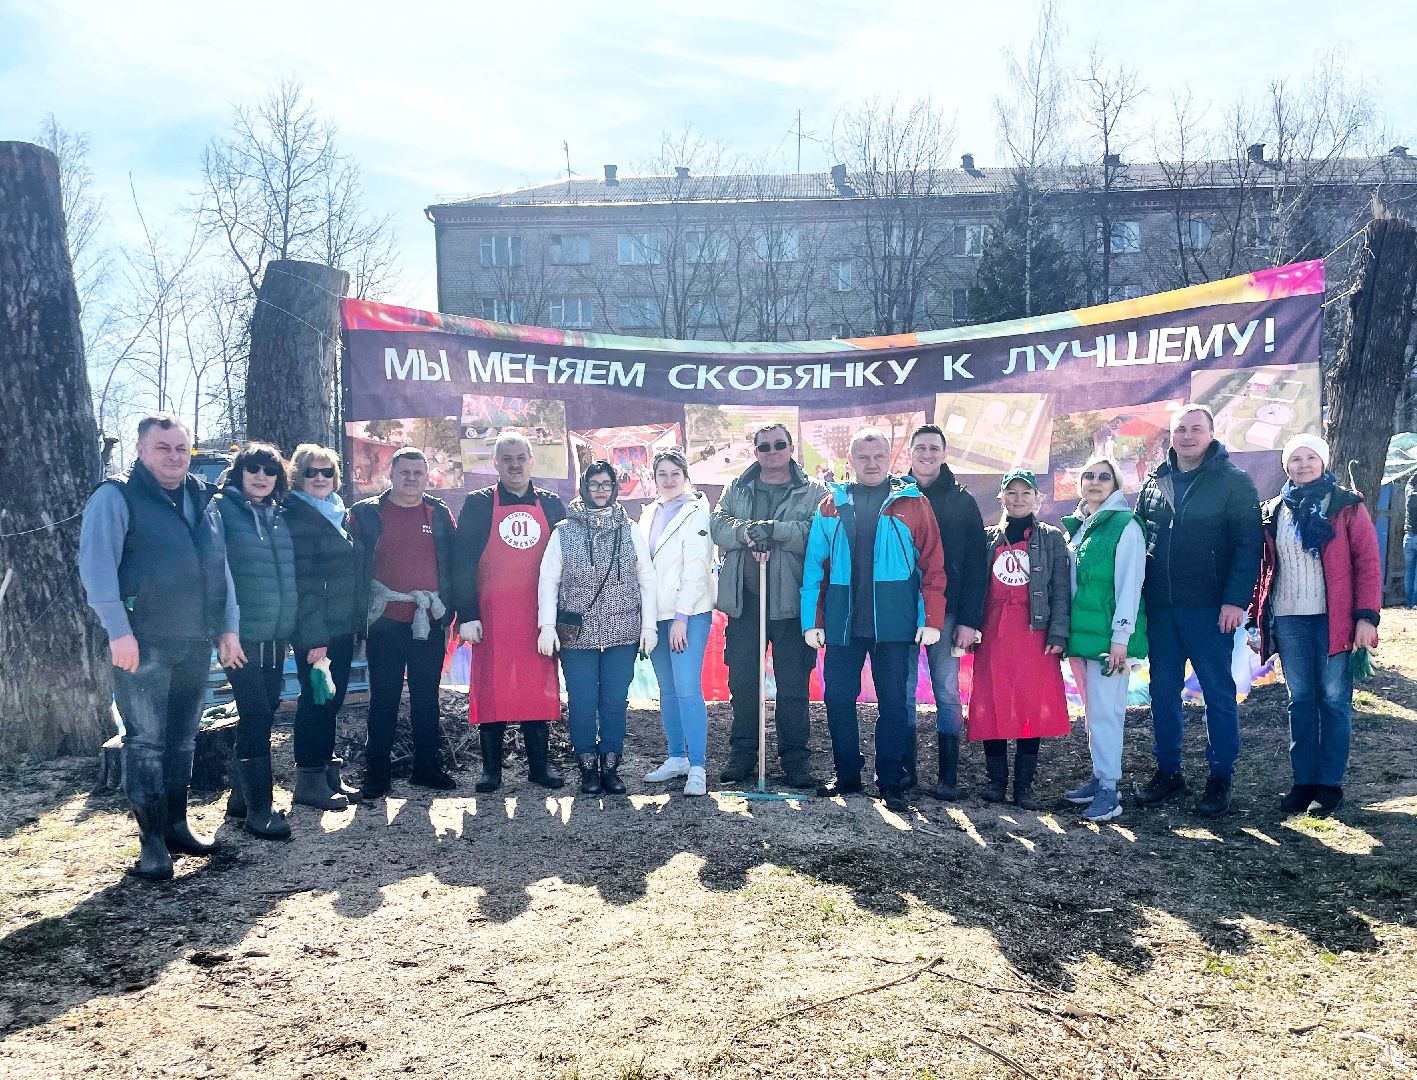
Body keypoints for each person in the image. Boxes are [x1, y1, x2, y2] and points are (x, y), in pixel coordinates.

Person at [79, 413, 241, 882]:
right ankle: (151, 843)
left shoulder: (202, 498)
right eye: (162, 448)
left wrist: (228, 627)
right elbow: (97, 568)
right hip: (141, 640)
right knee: (145, 742)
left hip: (195, 639)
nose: (173, 457)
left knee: (182, 740)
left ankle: (176, 828)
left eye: (180, 448)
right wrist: (117, 631)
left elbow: (220, 569)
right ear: (140, 450)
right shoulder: (116, 496)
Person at [800, 428, 946, 812]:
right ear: (850, 461)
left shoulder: (914, 504)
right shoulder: (831, 505)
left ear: (890, 458)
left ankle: (890, 780)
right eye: (863, 457)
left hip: (895, 625)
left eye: (879, 456)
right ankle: (847, 775)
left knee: (895, 703)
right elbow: (815, 568)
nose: (872, 463)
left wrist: (931, 617)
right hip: (842, 623)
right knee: (836, 700)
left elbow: (933, 565)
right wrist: (812, 620)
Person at [1134, 404, 1262, 817]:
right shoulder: (1154, 482)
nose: (1187, 436)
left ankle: (1220, 776)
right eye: (1179, 430)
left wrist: (1234, 600)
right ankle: (1169, 772)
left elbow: (1249, 546)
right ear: (1170, 435)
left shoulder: (1234, 482)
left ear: (1211, 433)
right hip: (1162, 608)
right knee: (1162, 693)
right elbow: (1139, 542)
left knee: (1218, 693)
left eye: (1195, 429)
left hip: (1210, 609)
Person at [1251, 434, 1381, 817]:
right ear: (1285, 465)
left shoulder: (1346, 506)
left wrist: (1366, 618)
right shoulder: (1273, 510)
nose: (1303, 464)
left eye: (1311, 457)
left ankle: (1329, 785)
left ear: (1324, 462)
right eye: (1295, 458)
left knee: (1335, 700)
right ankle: (1302, 782)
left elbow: (1369, 566)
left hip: (1335, 618)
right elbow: (1265, 569)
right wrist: (1257, 618)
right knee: (1301, 699)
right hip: (1290, 617)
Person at [711, 424, 827, 788]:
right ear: (755, 450)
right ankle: (743, 755)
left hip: (792, 605)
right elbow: (717, 524)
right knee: (743, 683)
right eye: (764, 446)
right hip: (745, 603)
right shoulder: (736, 487)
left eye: (779, 444)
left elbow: (815, 533)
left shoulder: (814, 491)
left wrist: (775, 531)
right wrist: (746, 533)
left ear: (791, 447)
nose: (772, 451)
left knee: (793, 686)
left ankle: (795, 761)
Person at [453, 431, 566, 793]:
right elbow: (462, 564)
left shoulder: (551, 504)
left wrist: (561, 617)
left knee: (537, 687)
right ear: (496, 464)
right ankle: (491, 771)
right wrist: (467, 614)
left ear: (532, 461)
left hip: (538, 616)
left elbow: (567, 564)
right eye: (507, 459)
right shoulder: (478, 504)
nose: (515, 465)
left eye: (521, 458)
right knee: (492, 687)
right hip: (492, 614)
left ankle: (538, 767)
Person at [537, 461, 657, 795]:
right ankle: (587, 768)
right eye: (594, 484)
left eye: (606, 484)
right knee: (582, 700)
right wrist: (547, 625)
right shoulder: (564, 532)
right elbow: (549, 580)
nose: (601, 490)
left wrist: (650, 626)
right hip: (577, 633)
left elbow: (646, 578)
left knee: (616, 700)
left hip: (623, 629)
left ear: (615, 488)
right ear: (584, 488)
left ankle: (610, 767)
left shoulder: (631, 529)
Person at [349, 447, 459, 799]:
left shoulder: (439, 513)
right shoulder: (367, 513)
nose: (410, 478)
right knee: (384, 698)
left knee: (427, 698)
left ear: (427, 477)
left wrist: (451, 612)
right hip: (385, 621)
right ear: (391, 474)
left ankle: (425, 768)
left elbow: (453, 564)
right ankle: (377, 774)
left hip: (427, 620)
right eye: (404, 472)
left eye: (417, 472)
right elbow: (353, 567)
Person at [970, 471, 1072, 810]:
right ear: (1001, 497)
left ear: (1037, 499)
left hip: (1034, 632)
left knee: (1031, 704)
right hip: (994, 631)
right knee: (993, 702)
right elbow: (975, 589)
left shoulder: (1051, 538)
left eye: (1025, 493)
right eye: (1010, 493)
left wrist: (1058, 632)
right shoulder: (986, 538)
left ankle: (1024, 786)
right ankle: (996, 782)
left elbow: (1060, 590)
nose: (1018, 499)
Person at [212, 442, 298, 840]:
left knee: (268, 706)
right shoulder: (221, 510)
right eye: (254, 469)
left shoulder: (279, 515)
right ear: (239, 472)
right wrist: (222, 629)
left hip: (274, 634)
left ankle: (240, 798)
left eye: (270, 470)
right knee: (257, 713)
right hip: (241, 636)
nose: (262, 477)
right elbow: (215, 571)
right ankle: (260, 811)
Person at [903, 424, 988, 800]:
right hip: (900, 611)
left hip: (949, 612)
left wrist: (969, 620)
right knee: (902, 691)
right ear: (909, 453)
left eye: (933, 448)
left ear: (944, 453)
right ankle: (905, 772)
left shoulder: (962, 501)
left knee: (947, 692)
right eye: (920, 447)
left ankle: (948, 776)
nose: (927, 454)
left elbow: (975, 566)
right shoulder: (894, 496)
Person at [1061, 455, 1148, 823]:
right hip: (1082, 638)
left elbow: (1131, 585)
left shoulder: (1125, 526)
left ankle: (1110, 789)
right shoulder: (1082, 527)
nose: (1095, 482)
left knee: (1107, 713)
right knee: (1095, 714)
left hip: (1109, 642)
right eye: (1089, 476)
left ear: (1116, 484)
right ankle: (1099, 778)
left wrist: (1120, 638)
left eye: (1103, 476)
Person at [283, 444, 365, 813]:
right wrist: (314, 638)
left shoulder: (339, 514)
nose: (320, 478)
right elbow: (305, 585)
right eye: (311, 472)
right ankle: (310, 781)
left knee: (331, 702)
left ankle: (329, 774)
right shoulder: (295, 515)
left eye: (327, 472)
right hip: (316, 633)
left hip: (341, 626)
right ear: (298, 476)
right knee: (316, 702)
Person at [637, 449, 715, 797]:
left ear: (686, 476)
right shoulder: (649, 512)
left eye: (675, 473)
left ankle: (697, 766)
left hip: (688, 614)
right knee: (666, 690)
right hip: (656, 615)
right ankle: (676, 757)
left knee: (686, 687)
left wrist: (681, 618)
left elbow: (696, 569)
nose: (669, 480)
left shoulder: (697, 511)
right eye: (662, 474)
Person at [1404, 471, 1417, 607]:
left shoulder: (1409, 492)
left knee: (1409, 572)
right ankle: (1415, 602)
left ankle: (1409, 603)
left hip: (1408, 536)